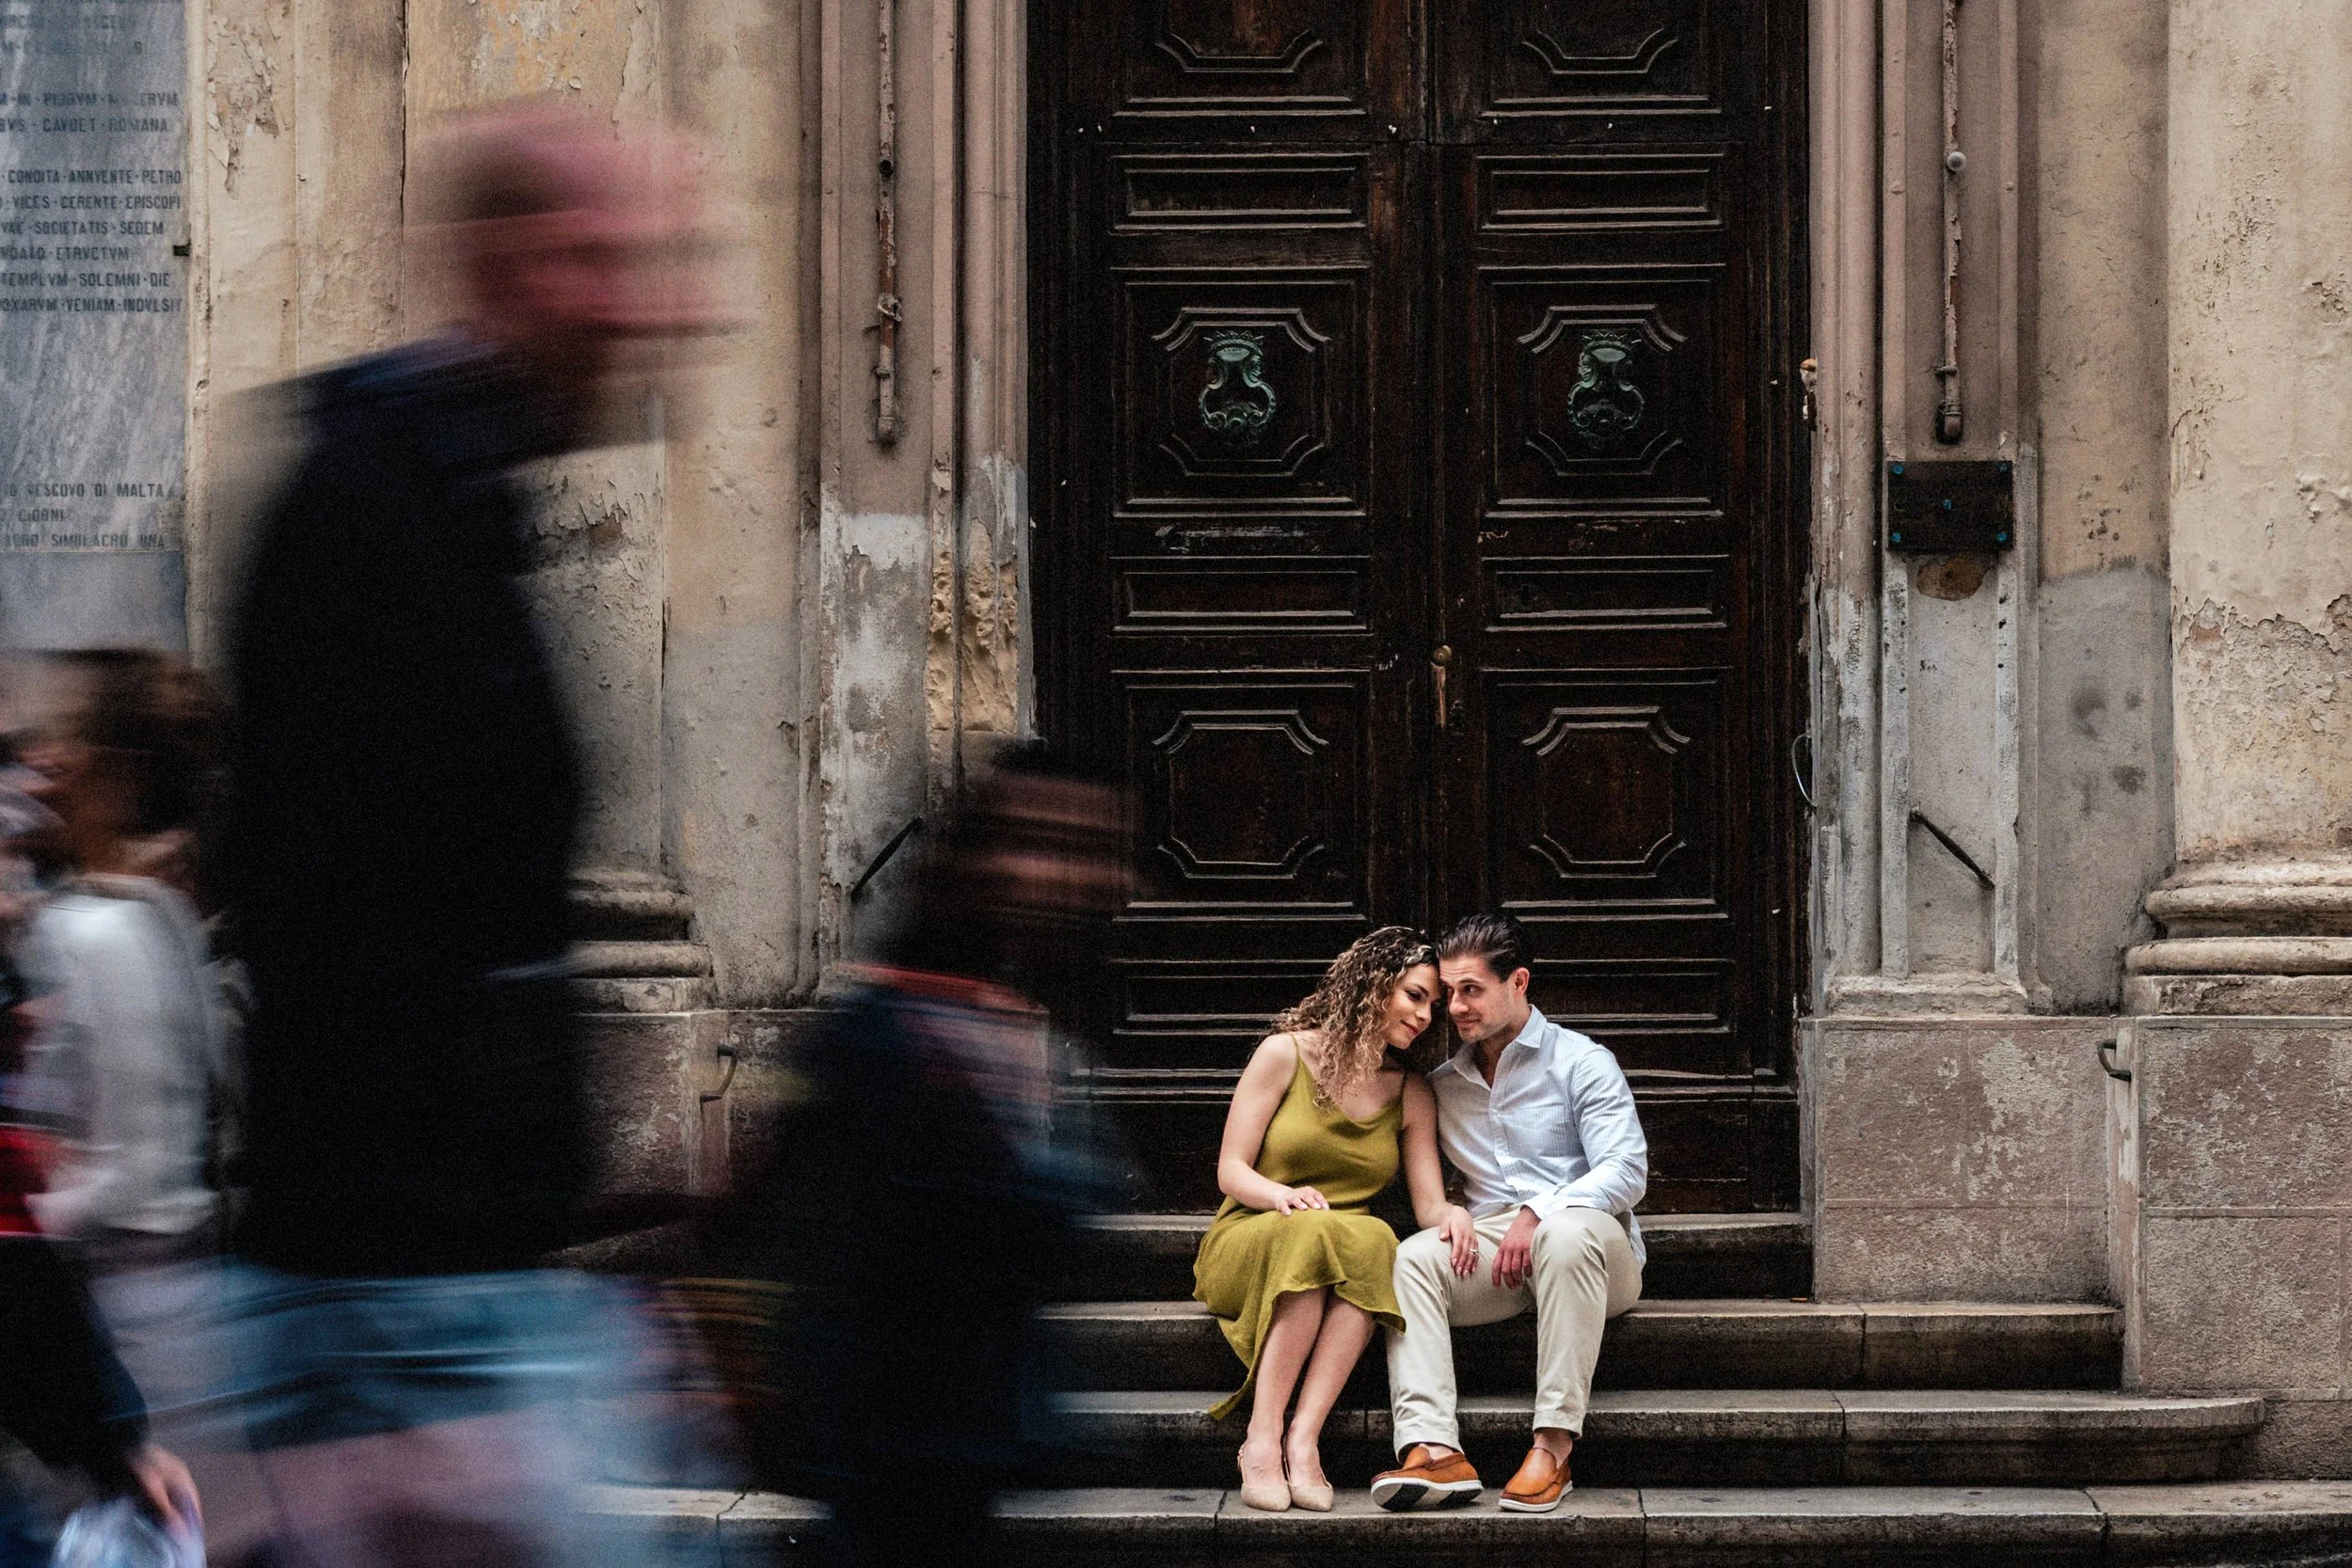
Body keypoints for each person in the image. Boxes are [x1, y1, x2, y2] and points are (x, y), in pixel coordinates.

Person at [215, 101, 716, 1567]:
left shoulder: (453, 492)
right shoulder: (369, 500)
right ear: (503, 263)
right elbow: (334, 909)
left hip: (459, 1281)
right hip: (406, 1300)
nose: (647, 306)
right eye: (605, 258)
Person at [717, 744, 1128, 1568]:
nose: (1080, 880)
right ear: (978, 853)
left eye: (1097, 852)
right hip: (890, 1467)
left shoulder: (999, 1025)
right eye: (1050, 845)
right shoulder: (889, 1033)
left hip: (960, 1461)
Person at [1371, 910, 1647, 1514]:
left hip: (1596, 1250)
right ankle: (1433, 1448)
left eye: (1472, 990)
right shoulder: (1443, 1084)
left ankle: (1553, 1447)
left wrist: (1538, 1210)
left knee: (1566, 1235)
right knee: (1414, 1258)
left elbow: (1626, 1173)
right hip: (1498, 1256)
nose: (1456, 1006)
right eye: (1449, 993)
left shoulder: (1582, 1061)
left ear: (1518, 982)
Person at [1192, 927, 1470, 1513]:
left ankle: (1304, 1436)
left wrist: (1457, 1215)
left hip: (1343, 1247)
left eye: (1433, 1006)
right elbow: (1231, 1169)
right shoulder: (1284, 1053)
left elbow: (1427, 1205)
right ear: (1372, 986)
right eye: (1414, 995)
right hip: (1254, 1231)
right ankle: (1261, 1437)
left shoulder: (1410, 1091)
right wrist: (1281, 1197)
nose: (1425, 1016)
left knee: (1375, 1237)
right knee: (1320, 1235)